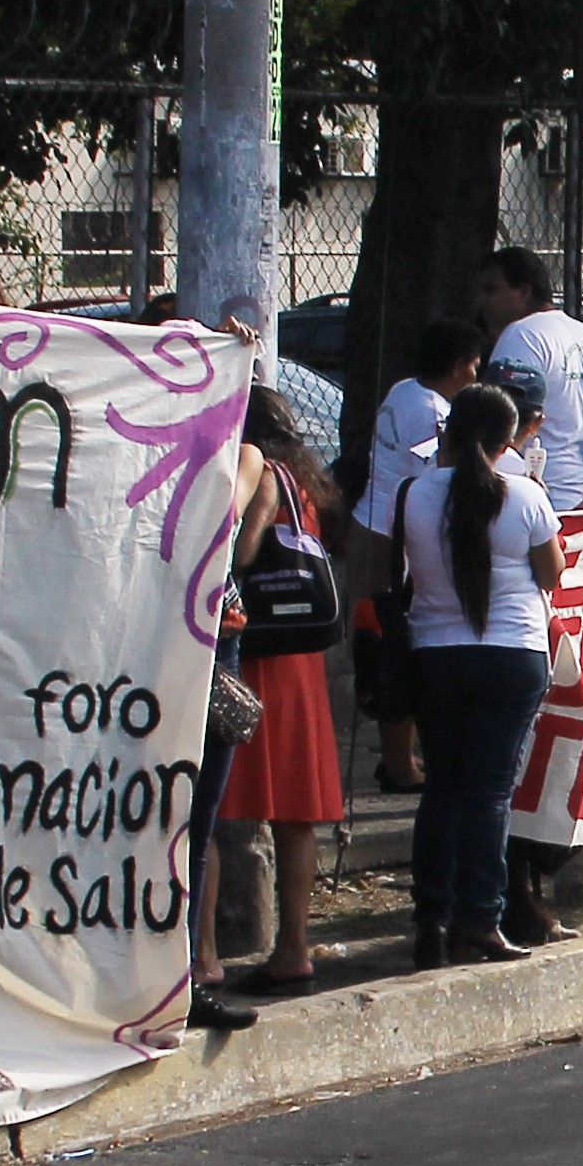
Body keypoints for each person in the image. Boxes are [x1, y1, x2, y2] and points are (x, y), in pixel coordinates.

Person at [393, 384, 562, 968]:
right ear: (509, 442)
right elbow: (551, 573)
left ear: (447, 431)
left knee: (442, 788)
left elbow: (396, 571)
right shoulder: (526, 495)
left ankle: (430, 921)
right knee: (490, 793)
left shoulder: (412, 493)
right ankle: (480, 920)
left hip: (435, 654)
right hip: (512, 656)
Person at [215, 387, 347, 994]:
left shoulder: (261, 475)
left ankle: (208, 953)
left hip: (260, 657)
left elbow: (242, 553)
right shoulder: (305, 486)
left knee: (222, 807)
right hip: (301, 660)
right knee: (297, 810)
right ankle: (293, 944)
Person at [357, 317, 484, 792]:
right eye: (474, 365)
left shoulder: (404, 390)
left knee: (383, 643)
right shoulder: (433, 412)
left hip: (374, 522)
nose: (477, 374)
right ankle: (399, 764)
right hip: (393, 538)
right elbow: (434, 477)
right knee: (395, 647)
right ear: (457, 366)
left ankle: (398, 756)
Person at [472, 246, 583, 509]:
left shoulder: (522, 335)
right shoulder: (581, 332)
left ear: (524, 291)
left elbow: (495, 421)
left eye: (491, 289)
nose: (483, 301)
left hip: (537, 490)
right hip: (580, 485)